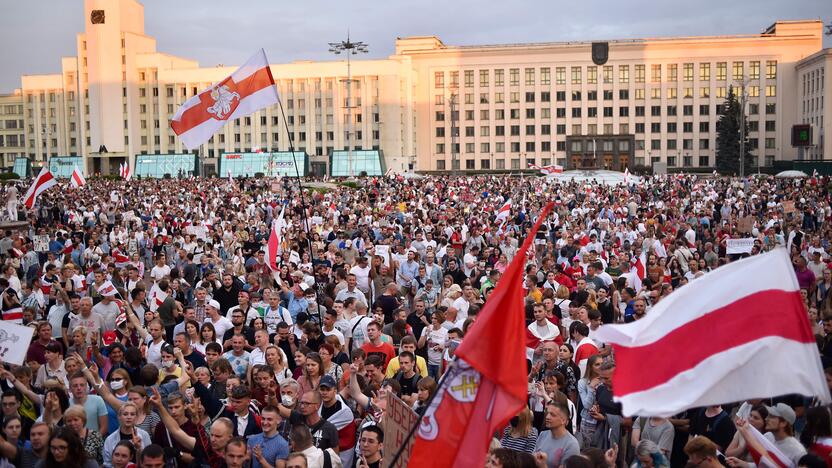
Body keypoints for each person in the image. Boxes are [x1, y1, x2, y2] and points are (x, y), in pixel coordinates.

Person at [102, 402, 152, 468]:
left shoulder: (144, 435)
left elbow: (149, 459)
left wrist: (139, 448)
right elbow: (107, 463)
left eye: (132, 414)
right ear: (119, 417)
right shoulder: (110, 439)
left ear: (136, 417)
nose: (129, 417)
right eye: (125, 414)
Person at [534, 402, 580, 468]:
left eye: (552, 415)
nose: (547, 417)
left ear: (563, 420)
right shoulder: (543, 434)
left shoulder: (571, 445)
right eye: (547, 413)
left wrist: (543, 466)